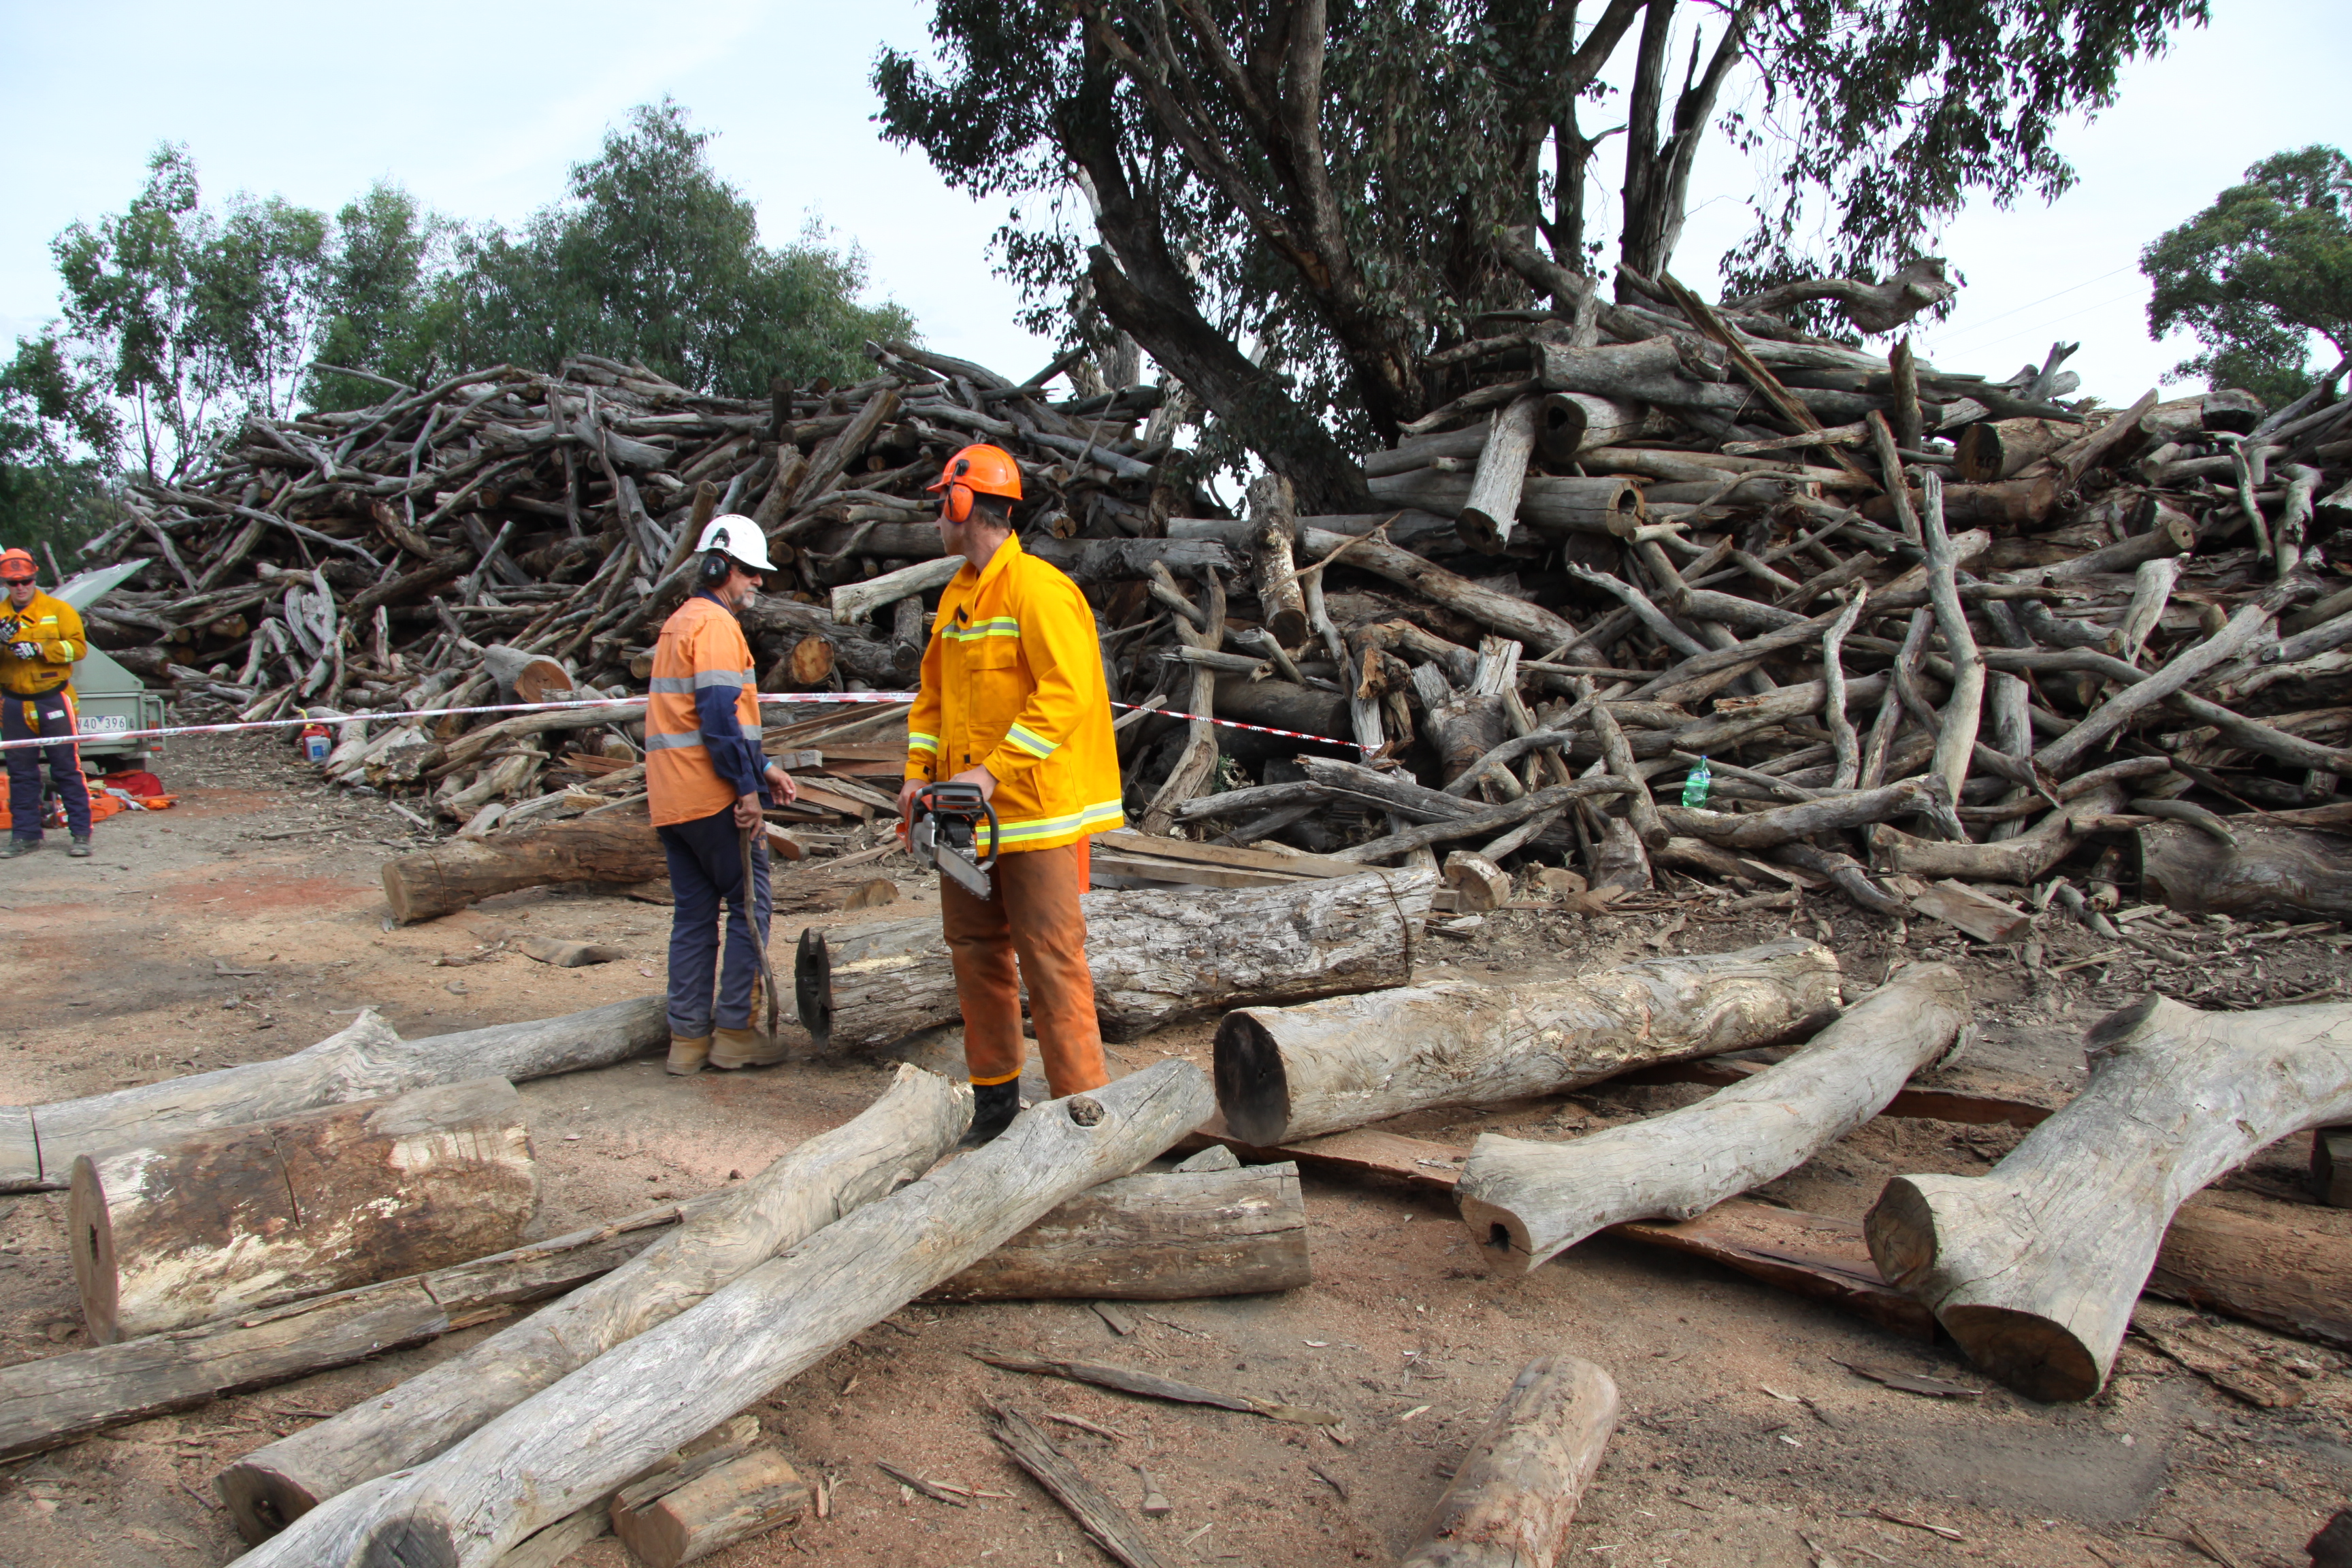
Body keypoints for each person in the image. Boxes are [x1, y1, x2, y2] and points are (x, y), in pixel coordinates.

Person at [896, 444, 1124, 1143]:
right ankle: (994, 1105)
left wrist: (991, 774)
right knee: (975, 953)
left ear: (966, 506)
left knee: (1052, 961)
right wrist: (916, 777)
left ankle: (1083, 1118)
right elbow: (932, 701)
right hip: (965, 819)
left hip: (1034, 818)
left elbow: (1067, 693)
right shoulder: (957, 597)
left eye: (943, 502)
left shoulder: (1039, 591)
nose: (938, 516)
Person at [647, 515, 798, 1075]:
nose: (757, 583)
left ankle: (686, 1041)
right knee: (749, 906)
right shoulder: (714, 627)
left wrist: (763, 768)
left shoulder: (678, 624)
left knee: (692, 915)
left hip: (671, 798)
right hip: (712, 797)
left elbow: (697, 718)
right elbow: (714, 717)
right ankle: (736, 1031)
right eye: (751, 573)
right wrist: (746, 790)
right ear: (721, 568)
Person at [0, 549, 92, 859]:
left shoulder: (59, 610)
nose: (21, 587)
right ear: (5, 584)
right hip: (13, 702)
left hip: (53, 698)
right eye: (13, 583)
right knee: (20, 772)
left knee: (66, 767)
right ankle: (25, 836)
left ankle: (81, 834)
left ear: (34, 577)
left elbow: (78, 649)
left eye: (26, 581)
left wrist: (41, 648)